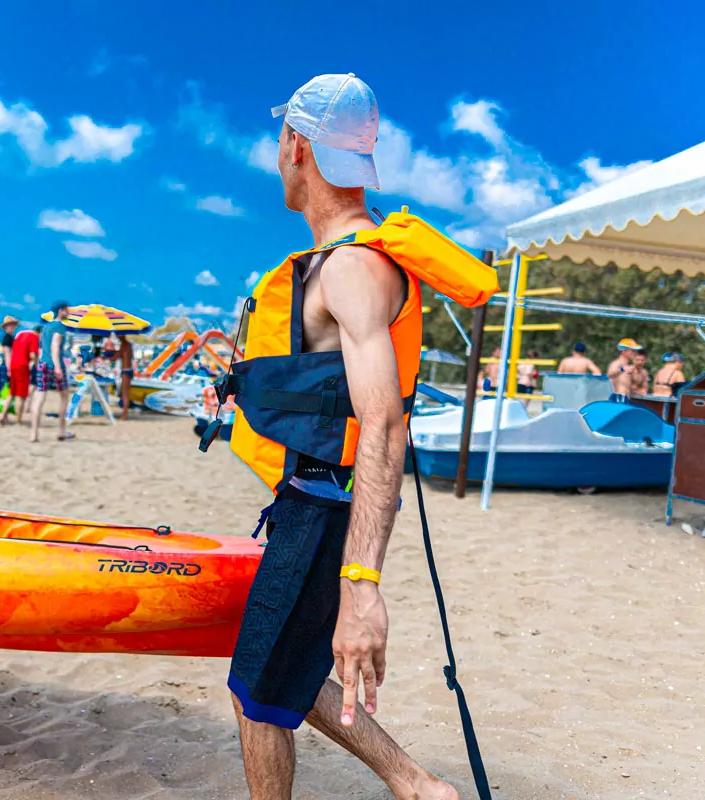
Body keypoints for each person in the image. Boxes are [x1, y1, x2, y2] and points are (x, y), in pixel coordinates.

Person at [221, 74, 458, 800]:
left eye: (278, 141)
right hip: (311, 503)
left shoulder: (353, 265)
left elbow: (384, 420)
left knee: (257, 694)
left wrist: (362, 586)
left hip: (325, 512)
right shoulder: (340, 262)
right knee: (278, 670)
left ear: (296, 144)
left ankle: (418, 785)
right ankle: (416, 786)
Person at [30, 302, 74, 442]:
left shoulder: (45, 327)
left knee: (39, 398)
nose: (69, 313)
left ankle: (34, 433)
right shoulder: (60, 327)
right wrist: (58, 367)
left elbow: (42, 348)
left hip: (43, 364)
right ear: (61, 311)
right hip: (55, 365)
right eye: (67, 310)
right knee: (64, 397)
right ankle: (61, 431)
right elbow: (55, 346)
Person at [8, 324, 40, 424]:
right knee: (21, 396)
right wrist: (37, 364)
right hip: (23, 366)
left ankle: (3, 416)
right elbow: (32, 354)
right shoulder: (34, 337)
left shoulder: (20, 335)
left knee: (12, 393)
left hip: (13, 364)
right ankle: (18, 419)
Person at [0, 316, 20, 423]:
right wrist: (10, 369)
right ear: (7, 326)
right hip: (7, 367)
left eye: (14, 324)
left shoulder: (7, 337)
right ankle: (3, 416)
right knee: (8, 392)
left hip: (4, 366)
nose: (13, 326)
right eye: (11, 324)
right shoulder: (8, 338)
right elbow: (8, 354)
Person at [606, 337, 642, 402]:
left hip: (626, 400)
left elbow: (638, 382)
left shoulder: (628, 366)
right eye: (633, 351)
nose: (635, 353)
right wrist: (622, 369)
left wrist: (637, 369)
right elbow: (609, 375)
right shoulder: (616, 364)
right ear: (624, 351)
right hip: (618, 400)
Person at [117, 334, 134, 421]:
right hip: (129, 370)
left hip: (125, 371)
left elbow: (116, 357)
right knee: (125, 393)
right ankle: (124, 413)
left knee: (125, 394)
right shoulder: (129, 344)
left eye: (118, 336)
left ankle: (124, 415)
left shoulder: (124, 345)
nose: (117, 337)